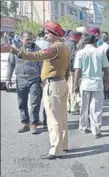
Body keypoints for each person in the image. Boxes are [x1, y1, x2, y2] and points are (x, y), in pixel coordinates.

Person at [6, 21, 70, 160]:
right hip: (61, 83)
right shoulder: (63, 46)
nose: (45, 36)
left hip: (53, 85)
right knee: (62, 117)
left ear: (54, 34)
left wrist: (15, 50)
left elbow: (35, 56)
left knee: (54, 119)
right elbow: (67, 68)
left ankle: (55, 150)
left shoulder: (54, 48)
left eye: (47, 33)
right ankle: (63, 145)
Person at [6, 31, 43, 134]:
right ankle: (25, 123)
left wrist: (42, 80)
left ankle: (34, 123)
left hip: (34, 79)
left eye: (31, 39)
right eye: (27, 39)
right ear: (22, 39)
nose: (30, 41)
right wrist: (8, 79)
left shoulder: (37, 50)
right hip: (21, 79)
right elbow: (10, 65)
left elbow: (41, 65)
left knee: (35, 103)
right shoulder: (15, 50)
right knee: (22, 103)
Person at [73, 34, 109, 138]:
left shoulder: (80, 53)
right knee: (96, 108)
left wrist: (75, 85)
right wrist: (107, 82)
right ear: (94, 41)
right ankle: (96, 130)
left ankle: (83, 127)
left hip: (85, 83)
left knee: (83, 107)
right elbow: (106, 69)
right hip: (98, 83)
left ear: (84, 41)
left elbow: (77, 70)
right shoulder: (100, 51)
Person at [35, 28, 50, 129]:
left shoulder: (34, 44)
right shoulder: (48, 45)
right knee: (46, 99)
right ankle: (45, 121)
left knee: (35, 100)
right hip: (45, 73)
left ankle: (35, 120)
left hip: (35, 74)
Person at [65, 31, 82, 115]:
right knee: (73, 89)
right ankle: (73, 107)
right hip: (71, 70)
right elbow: (72, 58)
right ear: (76, 38)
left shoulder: (65, 42)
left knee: (67, 89)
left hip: (65, 69)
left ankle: (67, 106)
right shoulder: (72, 44)